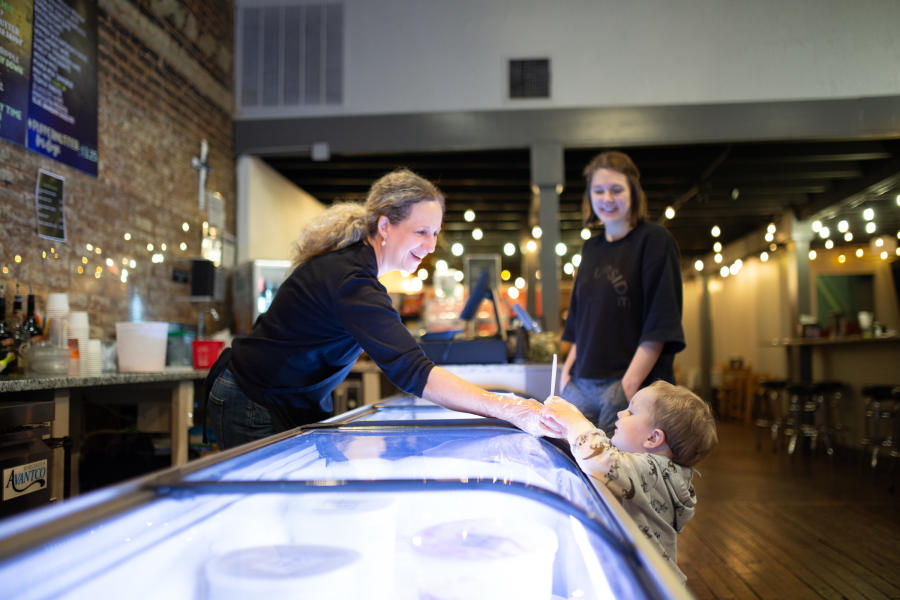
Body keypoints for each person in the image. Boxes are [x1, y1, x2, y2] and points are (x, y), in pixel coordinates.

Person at [207, 168, 560, 449]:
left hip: (282, 398)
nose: (430, 245)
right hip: (253, 399)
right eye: (420, 231)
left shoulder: (356, 269)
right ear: (385, 226)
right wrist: (506, 407)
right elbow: (412, 370)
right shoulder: (351, 278)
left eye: (435, 233)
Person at [559, 150, 685, 436]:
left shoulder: (654, 240)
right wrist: (567, 373)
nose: (607, 198)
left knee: (616, 477)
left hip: (631, 383)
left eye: (616, 190)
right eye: (598, 190)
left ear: (633, 193)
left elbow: (661, 322)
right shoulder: (591, 248)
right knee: (566, 463)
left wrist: (628, 386)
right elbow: (580, 319)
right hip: (581, 382)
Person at [541, 381, 718, 583]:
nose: (620, 414)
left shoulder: (651, 470)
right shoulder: (653, 471)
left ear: (652, 438)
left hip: (647, 584)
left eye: (631, 412)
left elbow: (602, 461)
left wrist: (575, 422)